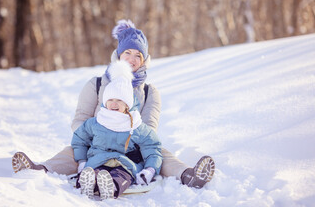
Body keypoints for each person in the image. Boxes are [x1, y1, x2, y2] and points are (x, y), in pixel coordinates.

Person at [12, 19, 215, 189]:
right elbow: (80, 119)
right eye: (128, 53)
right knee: (73, 150)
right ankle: (40, 169)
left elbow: (149, 128)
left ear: (144, 61)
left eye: (138, 55)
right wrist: (98, 135)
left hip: (131, 147)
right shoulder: (96, 84)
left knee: (159, 152)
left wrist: (123, 137)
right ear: (118, 54)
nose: (132, 59)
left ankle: (189, 175)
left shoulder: (149, 92)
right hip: (97, 145)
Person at [72, 60, 162, 199]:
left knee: (122, 176)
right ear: (105, 101)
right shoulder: (96, 122)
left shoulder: (136, 125)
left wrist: (150, 169)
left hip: (124, 164)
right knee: (93, 172)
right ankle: (88, 183)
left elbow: (152, 147)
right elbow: (80, 139)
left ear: (127, 104)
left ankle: (112, 186)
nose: (114, 103)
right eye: (111, 99)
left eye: (120, 100)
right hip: (98, 161)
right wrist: (82, 162)